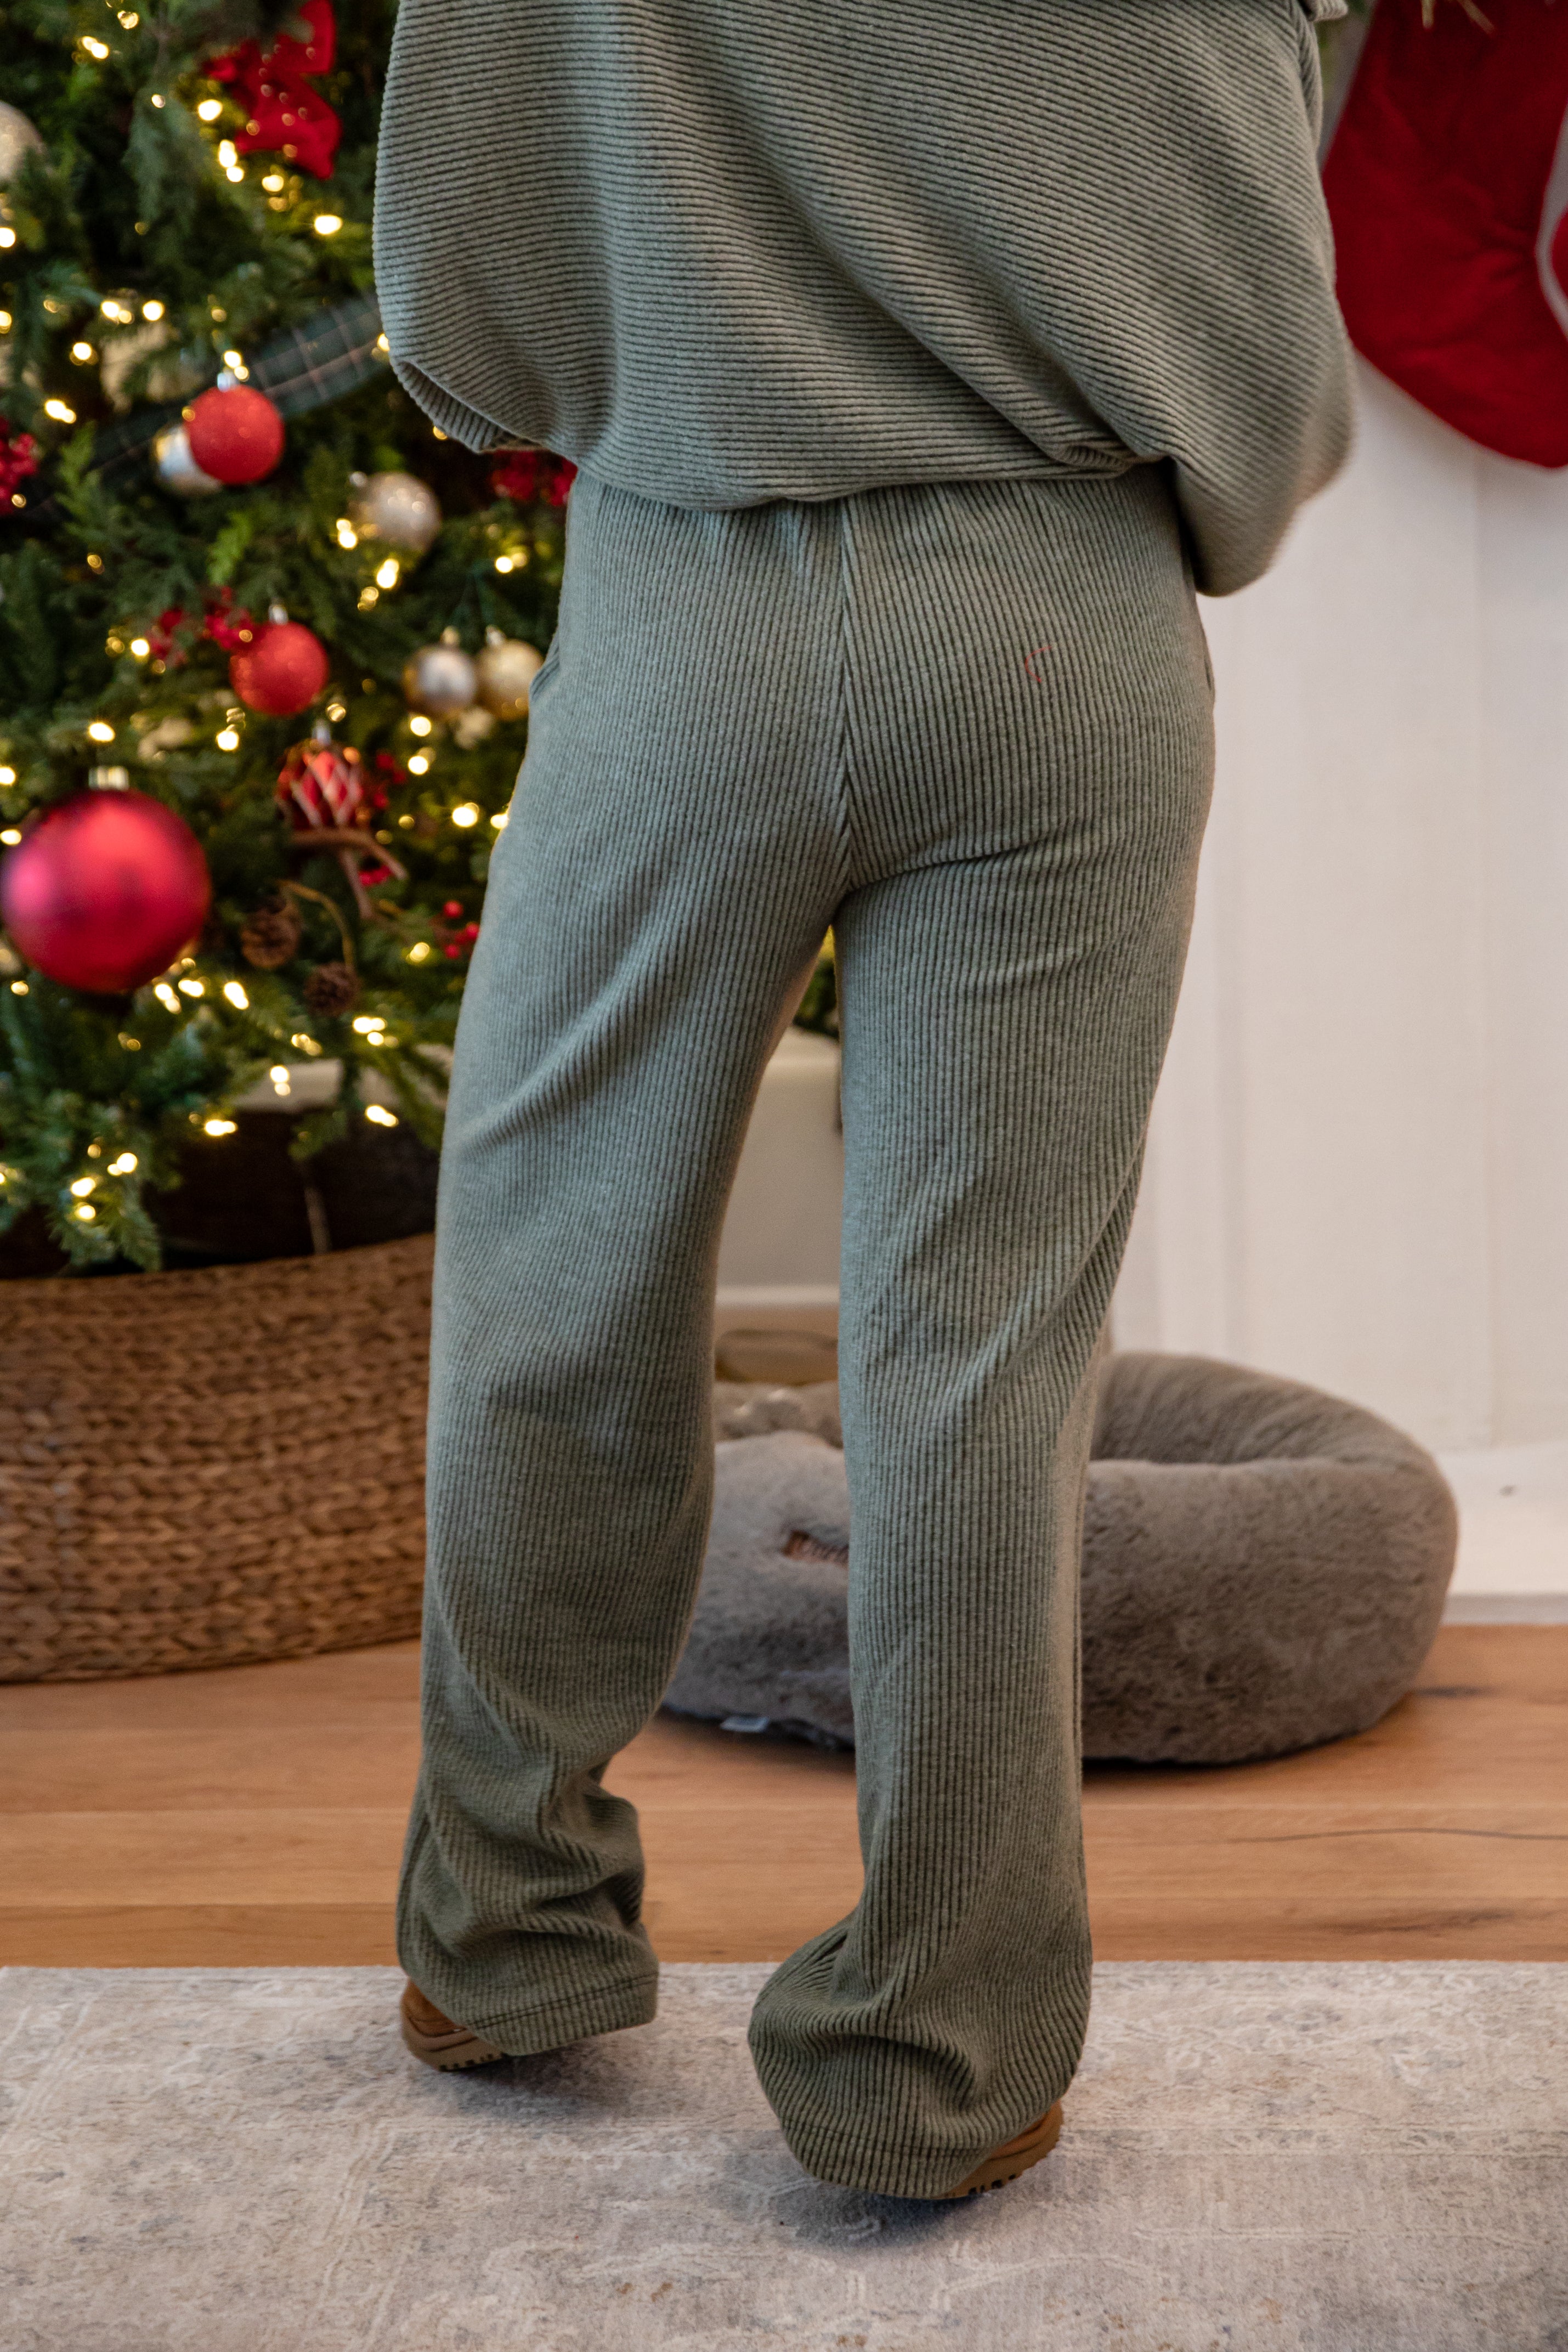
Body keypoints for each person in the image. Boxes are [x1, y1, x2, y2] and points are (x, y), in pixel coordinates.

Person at [372, 0, 1353, 2202]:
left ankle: (505, 1932)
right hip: (1057, 621)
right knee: (980, 1357)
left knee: (557, 1268)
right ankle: (941, 2056)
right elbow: (1257, 345)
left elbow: (463, 291)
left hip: (684, 598)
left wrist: (704, 345)